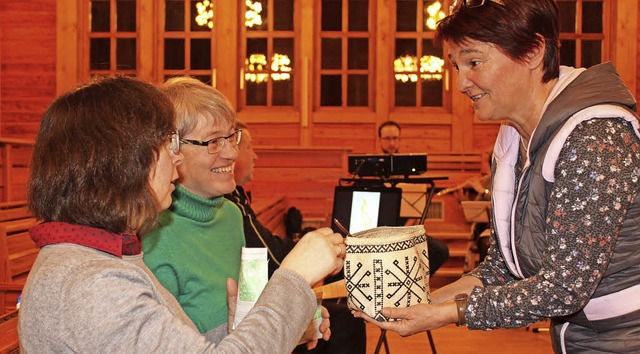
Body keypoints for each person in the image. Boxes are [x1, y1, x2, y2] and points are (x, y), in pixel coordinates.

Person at [355, 0, 640, 353]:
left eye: (474, 62)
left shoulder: (595, 137)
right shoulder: (514, 138)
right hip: (583, 337)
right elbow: (503, 268)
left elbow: (564, 289)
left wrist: (447, 314)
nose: (460, 83)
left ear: (534, 51)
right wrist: (425, 302)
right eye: (456, 66)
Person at [19, 76, 344, 353]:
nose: (176, 161)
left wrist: (244, 330)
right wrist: (295, 277)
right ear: (125, 164)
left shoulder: (98, 260)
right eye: (167, 144)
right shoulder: (93, 285)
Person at [142, 77, 340, 349]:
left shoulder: (232, 215)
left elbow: (247, 316)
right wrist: (288, 325)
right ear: (171, 150)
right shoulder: (151, 235)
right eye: (213, 142)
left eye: (231, 137)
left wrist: (299, 316)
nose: (232, 153)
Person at [225, 121, 367, 354]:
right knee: (347, 320)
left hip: (258, 303)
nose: (256, 156)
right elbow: (270, 257)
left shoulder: (233, 198)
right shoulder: (229, 201)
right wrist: (313, 254)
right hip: (255, 309)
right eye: (250, 148)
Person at [378, 120, 451, 275]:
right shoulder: (371, 171)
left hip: (406, 230)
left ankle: (414, 281)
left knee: (440, 251)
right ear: (380, 141)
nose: (391, 143)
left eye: (395, 138)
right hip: (379, 231)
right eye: (387, 138)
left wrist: (408, 227)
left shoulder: (409, 171)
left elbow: (416, 211)